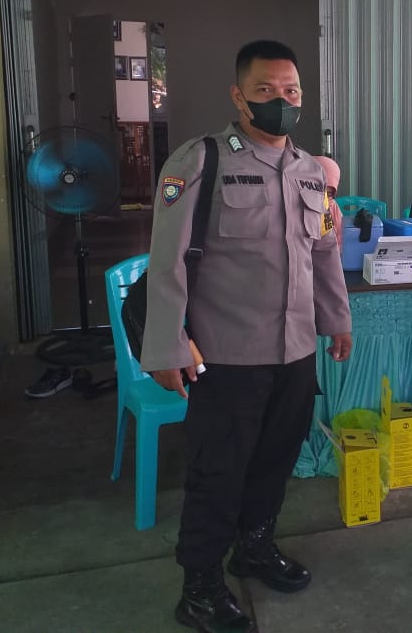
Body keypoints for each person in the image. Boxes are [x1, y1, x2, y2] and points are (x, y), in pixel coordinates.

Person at [140, 40, 353, 632]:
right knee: (218, 472)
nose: (280, 100)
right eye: (265, 90)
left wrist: (337, 317)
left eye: (291, 91)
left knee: (275, 460)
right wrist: (166, 346)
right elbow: (166, 261)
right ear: (239, 96)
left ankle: (254, 547)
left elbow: (324, 251)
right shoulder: (199, 161)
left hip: (296, 352)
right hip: (226, 355)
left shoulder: (313, 174)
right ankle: (200, 588)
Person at [314, 155, 343, 250]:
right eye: (322, 191)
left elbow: (340, 235)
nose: (325, 198)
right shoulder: (299, 206)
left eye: (329, 193)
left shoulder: (333, 206)